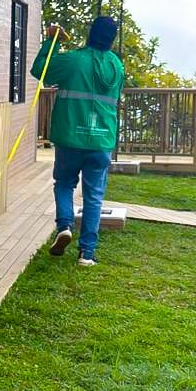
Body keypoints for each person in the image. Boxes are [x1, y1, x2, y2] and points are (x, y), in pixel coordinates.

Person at [31, 16, 125, 267]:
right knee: (94, 196)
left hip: (71, 137)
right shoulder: (117, 66)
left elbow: (40, 69)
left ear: (90, 33)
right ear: (112, 39)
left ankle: (65, 226)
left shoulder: (74, 60)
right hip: (101, 141)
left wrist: (51, 41)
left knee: (64, 183)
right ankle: (87, 254)